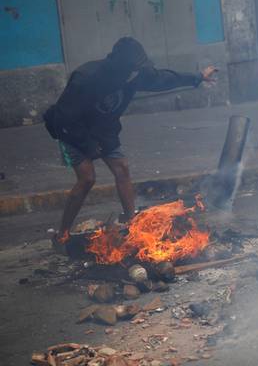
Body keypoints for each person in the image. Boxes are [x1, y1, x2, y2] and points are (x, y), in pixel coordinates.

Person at [43, 37, 217, 250]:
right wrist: (88, 146)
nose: (136, 75)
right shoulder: (86, 77)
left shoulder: (135, 73)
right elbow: (65, 118)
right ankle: (63, 234)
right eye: (132, 70)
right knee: (87, 178)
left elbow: (163, 79)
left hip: (103, 129)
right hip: (71, 129)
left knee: (122, 169)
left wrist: (198, 77)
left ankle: (132, 223)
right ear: (120, 66)